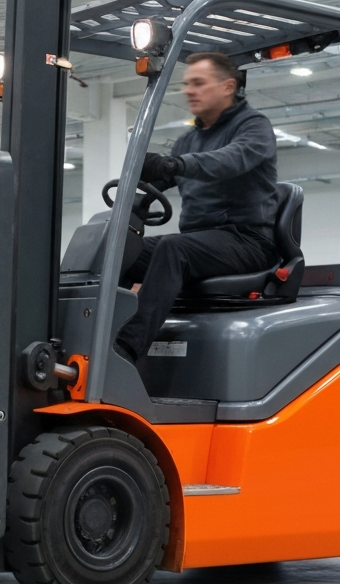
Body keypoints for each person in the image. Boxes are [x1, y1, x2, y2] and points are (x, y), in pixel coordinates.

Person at [115, 51, 280, 362]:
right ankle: (99, 335)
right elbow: (164, 179)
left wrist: (174, 164)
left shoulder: (254, 127)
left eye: (199, 83)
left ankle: (125, 351)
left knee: (173, 249)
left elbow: (230, 160)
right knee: (119, 247)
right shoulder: (188, 140)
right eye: (188, 84)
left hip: (246, 240)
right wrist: (141, 192)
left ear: (228, 87)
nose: (189, 90)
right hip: (201, 243)